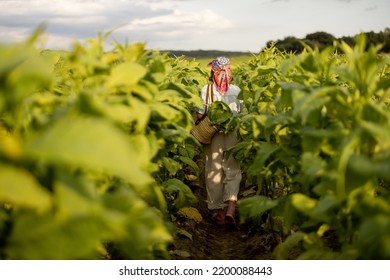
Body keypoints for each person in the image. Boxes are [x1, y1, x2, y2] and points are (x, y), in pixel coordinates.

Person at [195, 57, 243, 225]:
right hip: (232, 132)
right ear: (230, 72)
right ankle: (231, 207)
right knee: (233, 168)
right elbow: (242, 113)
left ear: (212, 73)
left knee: (214, 169)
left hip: (212, 133)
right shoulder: (237, 90)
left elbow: (201, 113)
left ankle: (219, 211)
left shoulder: (206, 89)